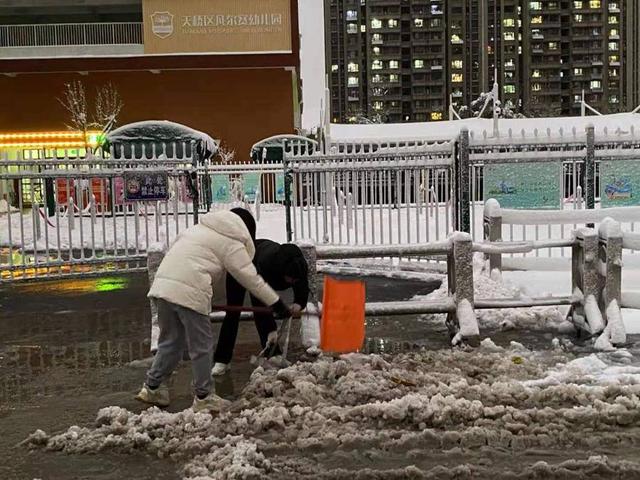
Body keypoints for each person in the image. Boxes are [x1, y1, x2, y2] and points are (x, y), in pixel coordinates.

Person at [136, 208, 291, 412]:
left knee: (170, 343)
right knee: (202, 346)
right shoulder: (231, 240)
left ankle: (152, 387)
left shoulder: (198, 230)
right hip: (191, 289)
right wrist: (276, 303)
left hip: (162, 287)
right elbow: (250, 278)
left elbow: (185, 258)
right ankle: (204, 396)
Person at [212, 240, 309, 375]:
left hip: (260, 268)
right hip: (241, 265)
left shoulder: (298, 266)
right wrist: (271, 330)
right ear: (281, 270)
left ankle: (273, 354)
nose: (292, 283)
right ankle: (222, 360)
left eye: (295, 280)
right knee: (233, 311)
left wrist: (299, 303)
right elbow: (259, 299)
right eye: (290, 279)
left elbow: (302, 287)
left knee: (268, 312)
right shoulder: (267, 263)